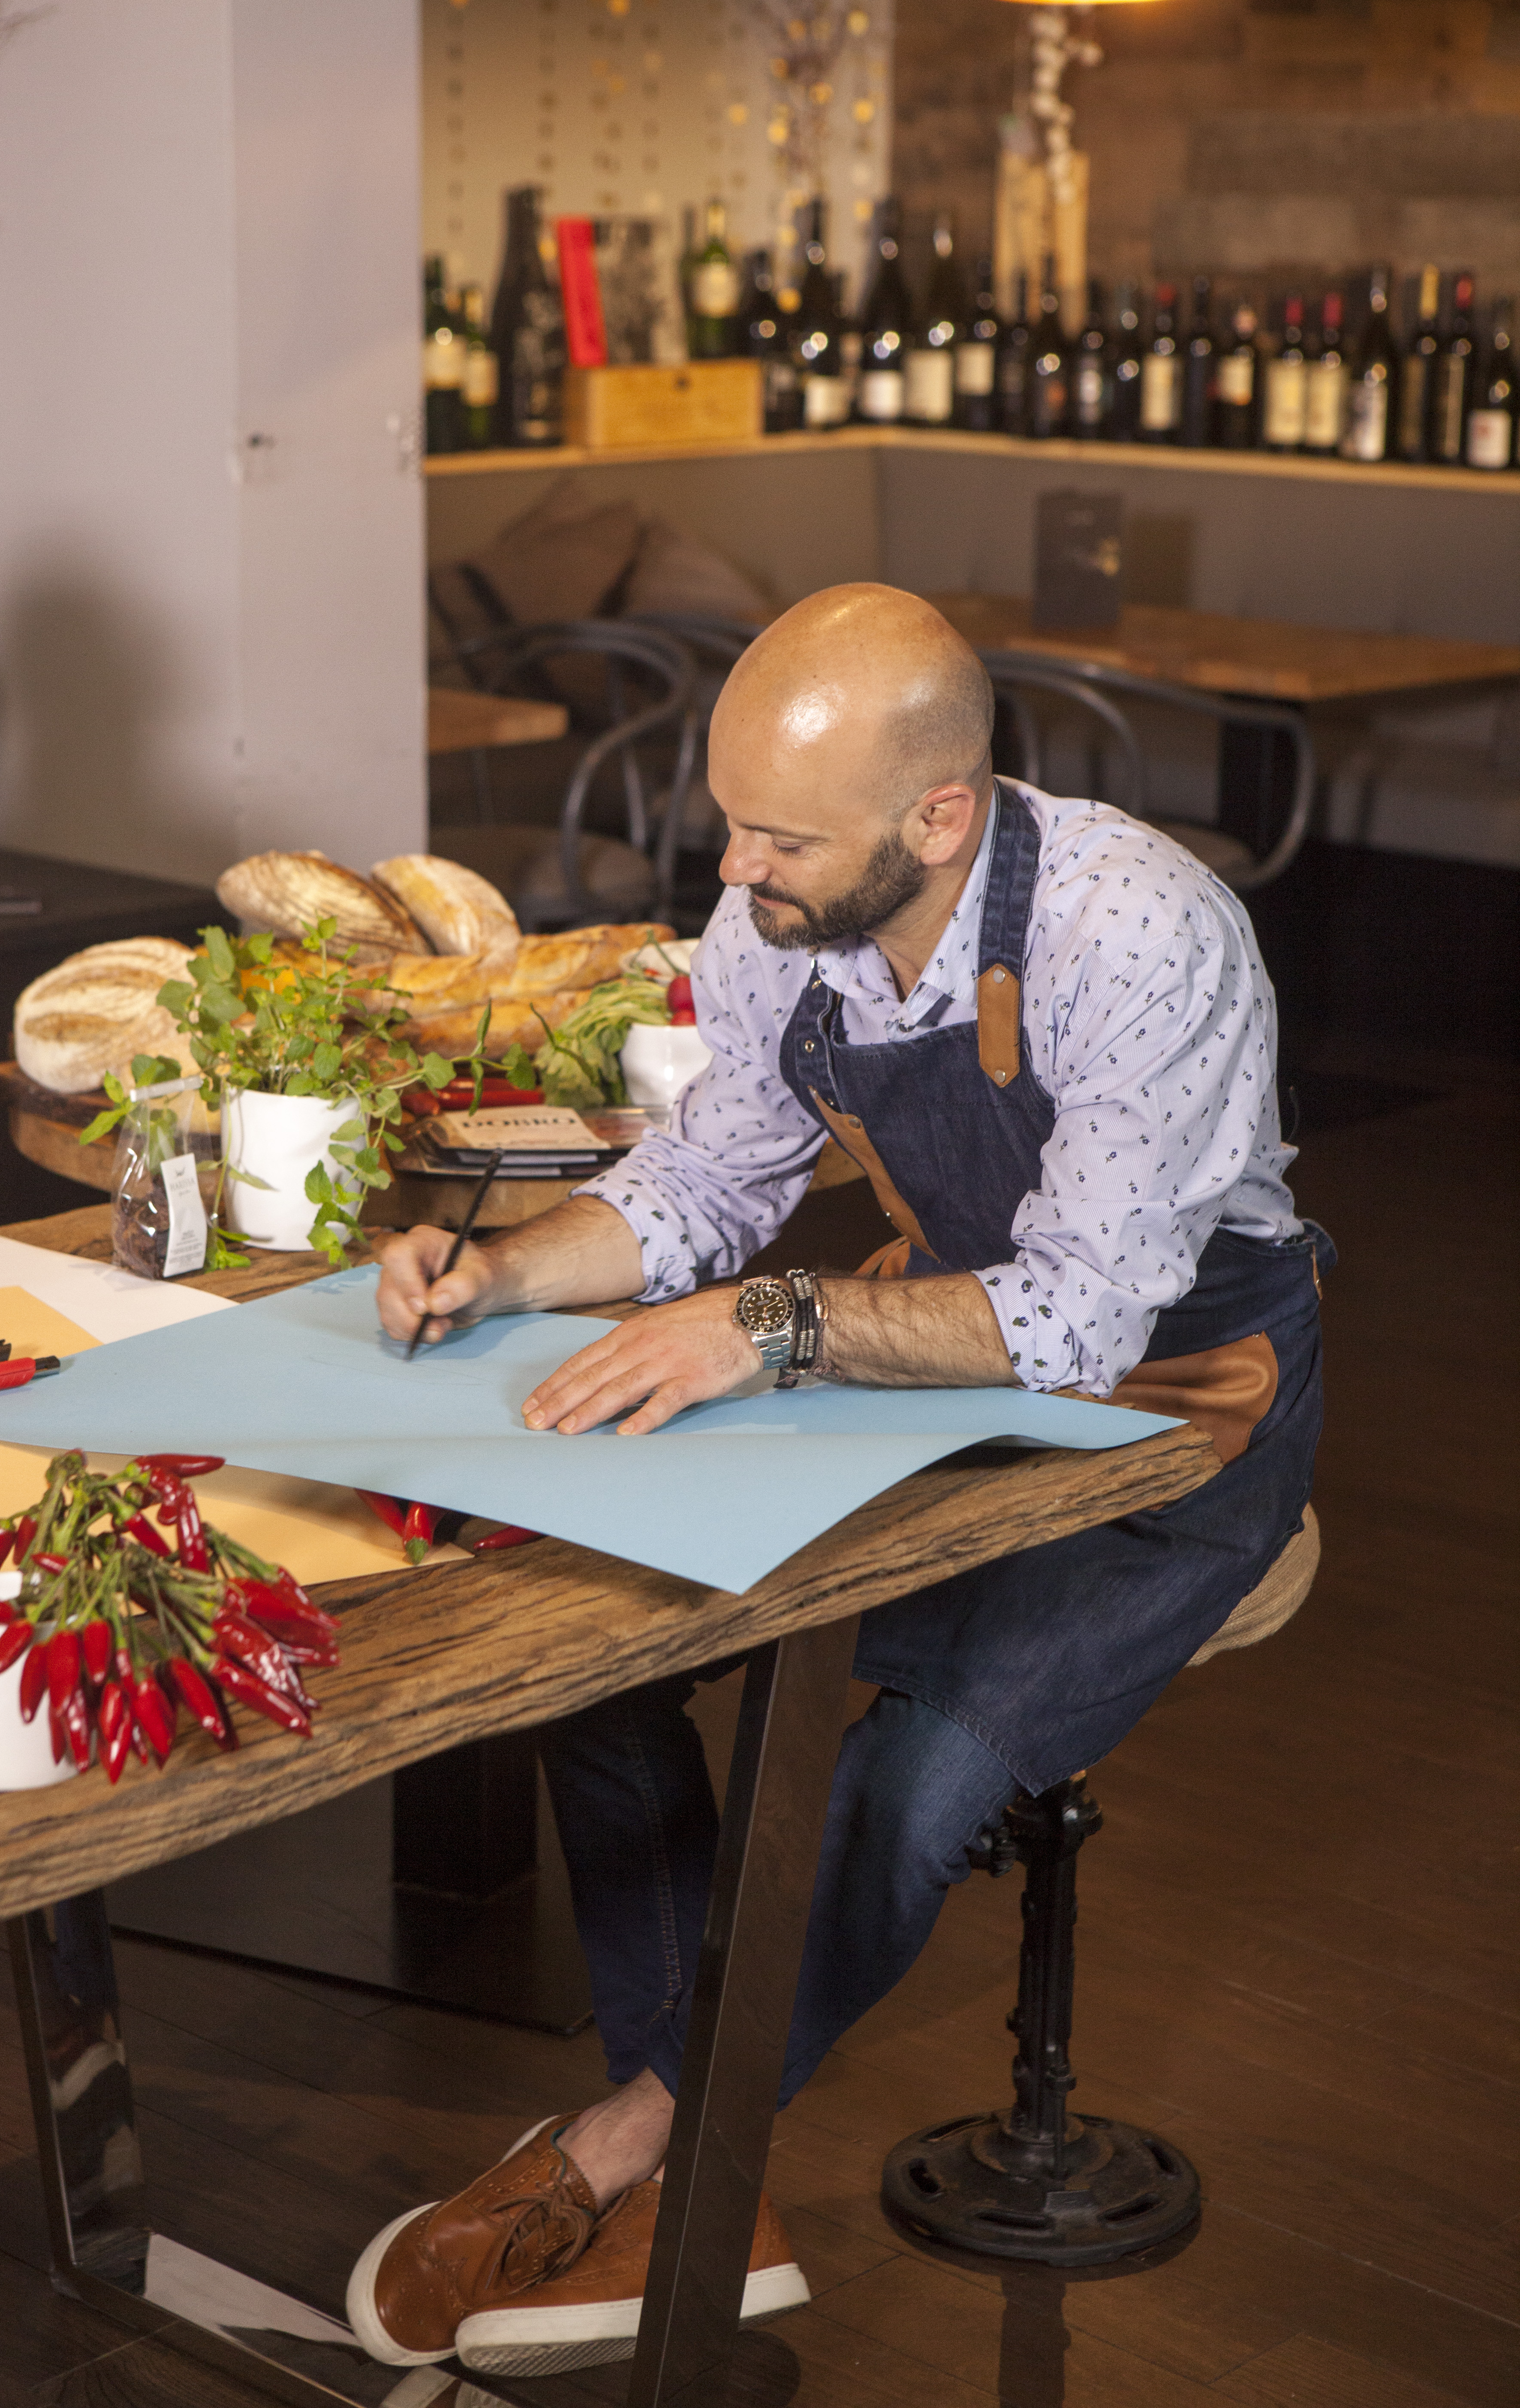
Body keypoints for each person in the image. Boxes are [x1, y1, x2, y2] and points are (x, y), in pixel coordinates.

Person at [345, 584, 1330, 2375]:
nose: (738, 868)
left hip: (1186, 1390)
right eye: (732, 819)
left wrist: (765, 1332)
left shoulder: (1138, 932)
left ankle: (633, 2149)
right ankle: (703, 2155)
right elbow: (706, 1190)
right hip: (918, 1333)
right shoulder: (779, 914)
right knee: (599, 1610)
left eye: (782, 835)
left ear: (939, 817)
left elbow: (1080, 1321)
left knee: (915, 1762)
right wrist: (494, 1267)